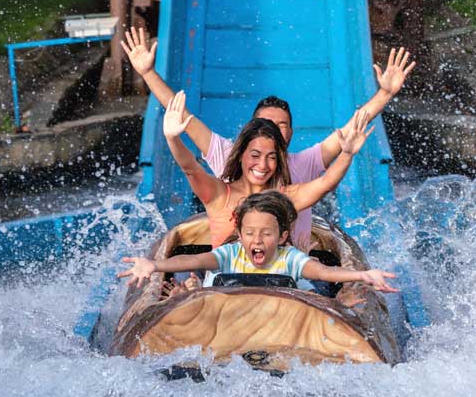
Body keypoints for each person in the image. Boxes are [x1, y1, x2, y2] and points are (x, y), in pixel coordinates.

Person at [122, 26, 416, 249]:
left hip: (290, 268)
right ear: (251, 133)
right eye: (265, 124)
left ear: (290, 133)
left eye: (282, 125)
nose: (273, 129)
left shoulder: (303, 168)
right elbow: (181, 116)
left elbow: (350, 133)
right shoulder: (226, 162)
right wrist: (147, 73)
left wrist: (385, 93)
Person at [161, 90, 372, 249]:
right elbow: (190, 168)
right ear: (240, 153)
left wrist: (347, 154)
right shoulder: (219, 194)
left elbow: (326, 184)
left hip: (276, 290)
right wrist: (173, 138)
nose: (262, 165)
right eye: (255, 156)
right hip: (225, 289)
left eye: (271, 157)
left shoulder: (285, 198)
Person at [118, 190, 399, 294]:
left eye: (267, 234)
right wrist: (154, 265)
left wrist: (363, 274)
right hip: (233, 318)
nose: (258, 240)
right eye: (250, 233)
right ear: (240, 235)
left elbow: (326, 272)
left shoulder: (289, 258)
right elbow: (190, 260)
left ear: (282, 237)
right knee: (194, 286)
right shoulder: (231, 254)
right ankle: (189, 291)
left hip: (280, 317)